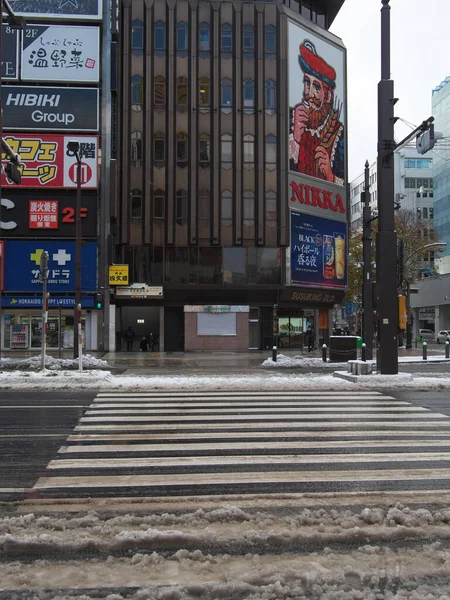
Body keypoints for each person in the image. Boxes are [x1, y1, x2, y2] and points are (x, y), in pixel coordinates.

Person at [289, 40, 344, 185]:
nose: (309, 93)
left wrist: (331, 176)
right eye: (307, 83)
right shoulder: (290, 119)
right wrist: (294, 140)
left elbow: (344, 186)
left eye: (317, 87)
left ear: (328, 95)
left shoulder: (338, 133)